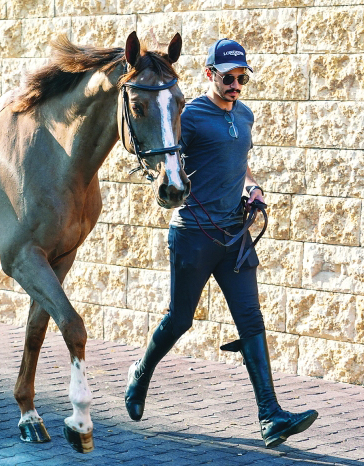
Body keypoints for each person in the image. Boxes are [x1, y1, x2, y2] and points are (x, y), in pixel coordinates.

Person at [124, 38, 318, 448]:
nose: (235, 85)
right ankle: (140, 373)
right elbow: (168, 160)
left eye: (241, 77)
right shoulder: (190, 115)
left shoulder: (244, 115)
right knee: (180, 320)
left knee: (252, 321)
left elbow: (240, 164)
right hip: (193, 233)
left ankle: (270, 417)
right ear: (209, 74)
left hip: (235, 236)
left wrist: (253, 187)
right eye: (227, 77)